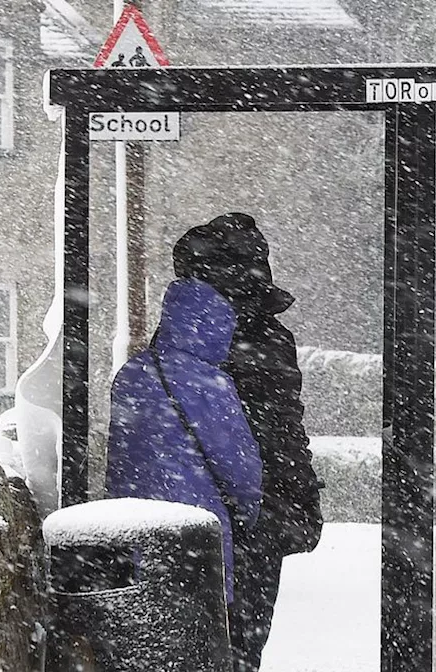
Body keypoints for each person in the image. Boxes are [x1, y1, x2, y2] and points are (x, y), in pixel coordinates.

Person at [172, 212, 324, 672]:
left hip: (183, 512)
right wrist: (300, 500)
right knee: (240, 646)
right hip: (256, 511)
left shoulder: (176, 340)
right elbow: (281, 431)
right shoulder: (265, 338)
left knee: (195, 646)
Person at [105, 276, 263, 606]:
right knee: (198, 626)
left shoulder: (131, 374)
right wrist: (247, 515)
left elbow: (119, 458)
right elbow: (241, 470)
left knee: (145, 620)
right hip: (197, 530)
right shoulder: (213, 384)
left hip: (131, 524)